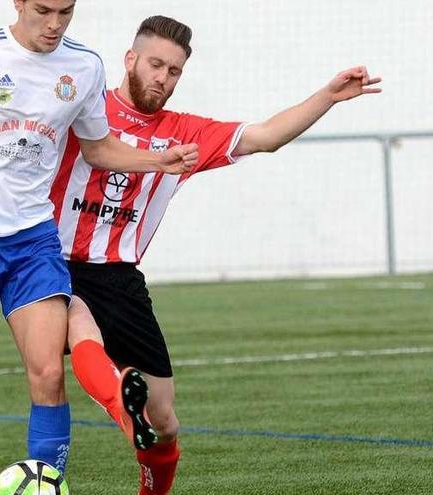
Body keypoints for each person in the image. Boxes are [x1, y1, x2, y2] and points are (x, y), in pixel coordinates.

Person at [52, 15, 382, 495]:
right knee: (78, 319)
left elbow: (265, 136)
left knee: (164, 420)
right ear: (130, 60)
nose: (162, 77)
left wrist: (327, 97)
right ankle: (121, 407)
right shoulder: (86, 106)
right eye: (155, 64)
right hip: (54, 262)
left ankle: (149, 472)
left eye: (174, 71)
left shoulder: (183, 132)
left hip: (121, 277)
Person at [0, 3, 202, 494]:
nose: (55, 23)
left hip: (32, 240)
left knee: (50, 372)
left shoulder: (84, 66)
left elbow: (97, 148)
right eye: (44, 10)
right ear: (19, 2)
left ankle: (46, 485)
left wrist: (157, 161)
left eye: (66, 12)